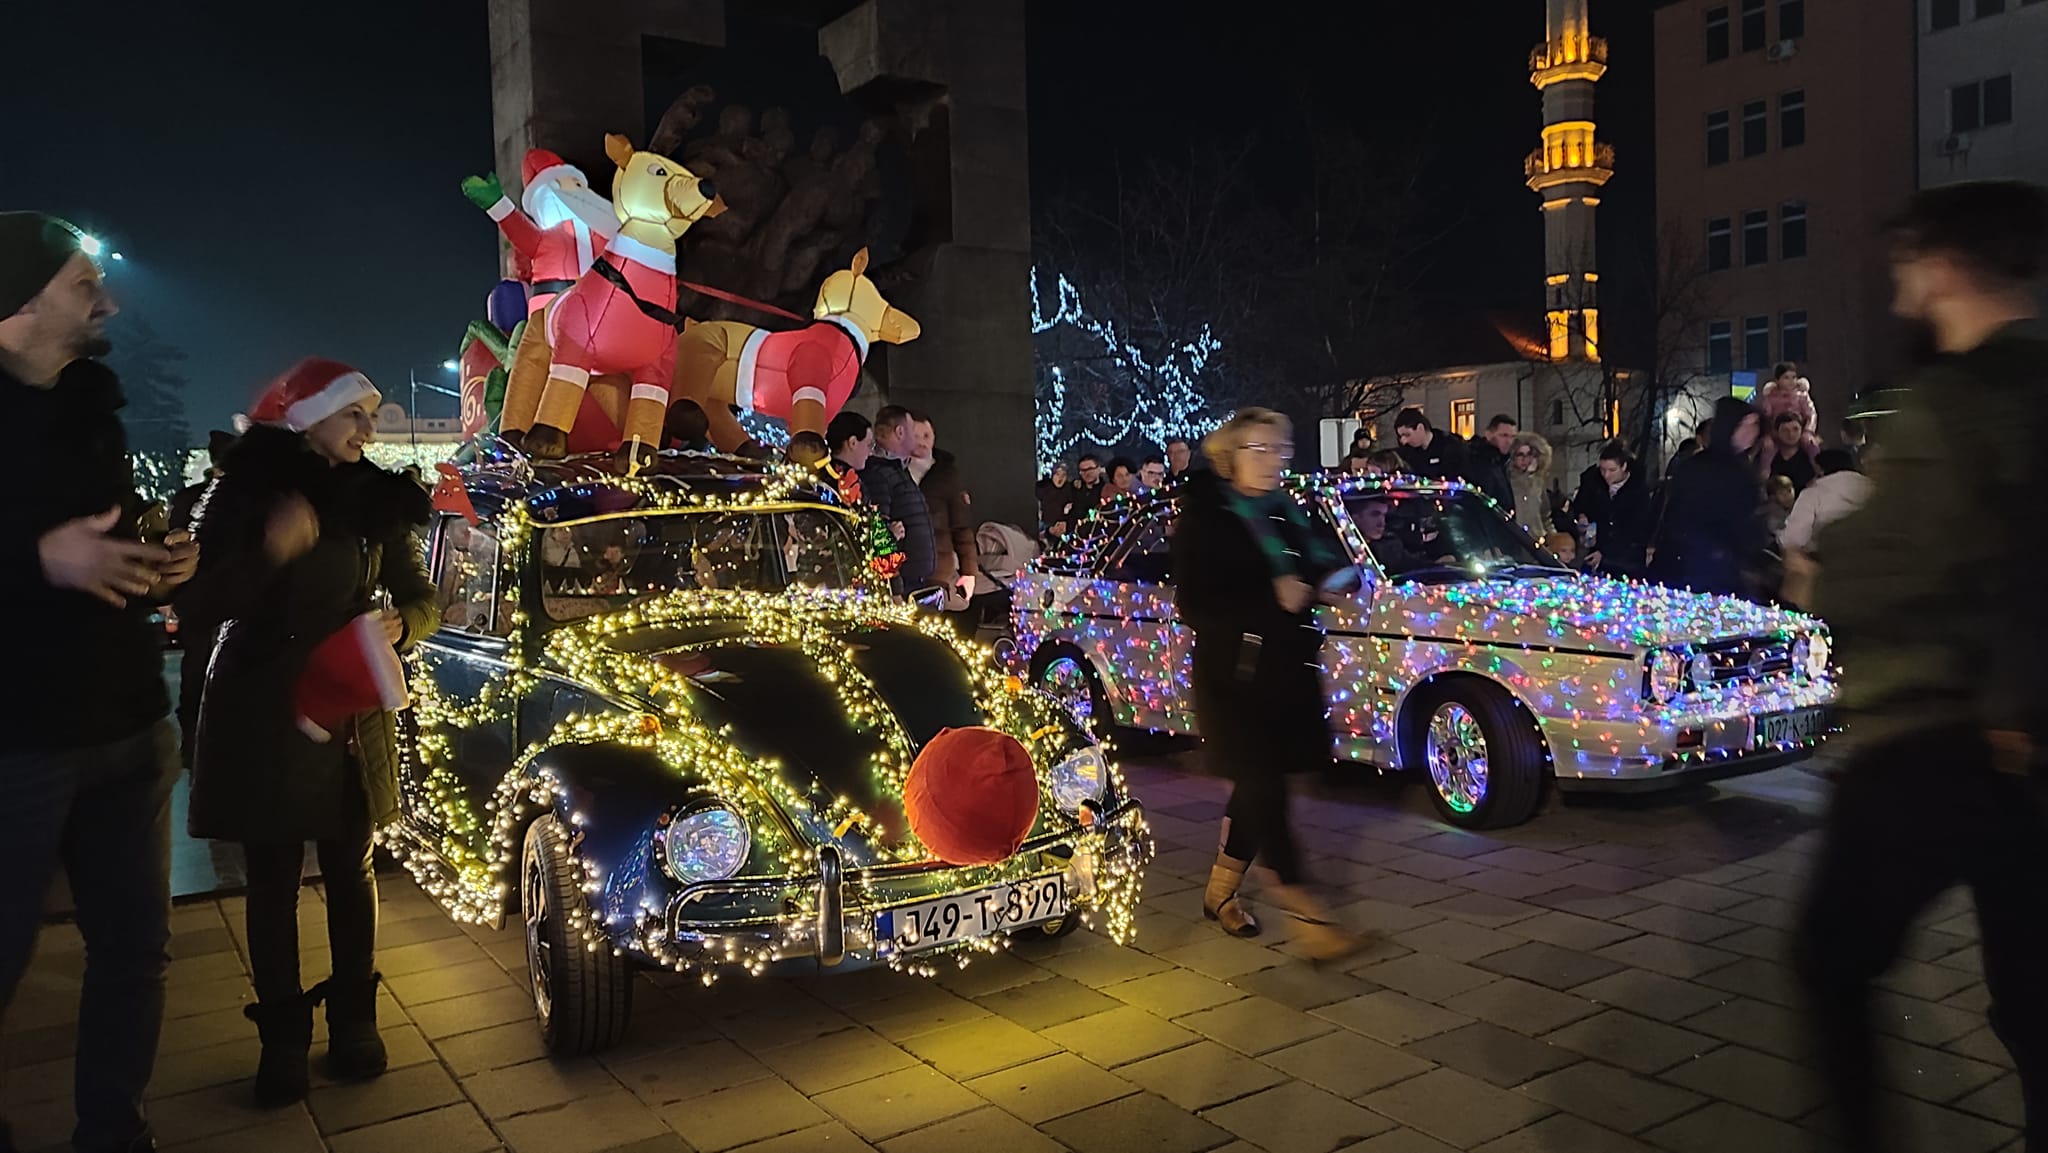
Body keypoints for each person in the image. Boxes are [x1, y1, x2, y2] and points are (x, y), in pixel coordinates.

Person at [1799, 181, 2048, 1153]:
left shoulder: (1948, 404)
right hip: (2026, 740)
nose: (1899, 279)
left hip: (1933, 734)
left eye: (1907, 258)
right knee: (2031, 997)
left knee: (1829, 956)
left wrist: (1822, 565)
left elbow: (1883, 571)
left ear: (1943, 265)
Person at [179, 358, 438, 1108]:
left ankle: (356, 1020)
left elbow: (422, 596)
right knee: (273, 878)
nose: (369, 430)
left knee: (352, 866)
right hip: (264, 703)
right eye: (354, 413)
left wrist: (402, 624)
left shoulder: (377, 497)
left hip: (349, 702)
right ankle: (283, 1041)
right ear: (307, 417)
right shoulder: (242, 492)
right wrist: (273, 548)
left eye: (372, 415)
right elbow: (197, 605)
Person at [1, 212, 198, 1153]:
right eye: (84, 284)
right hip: (17, 738)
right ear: (16, 305)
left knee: (134, 951)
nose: (107, 301)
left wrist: (157, 565)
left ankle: (114, 1131)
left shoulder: (91, 405)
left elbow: (105, 544)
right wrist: (40, 557)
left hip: (129, 720)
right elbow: (56, 553)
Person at [1171, 408, 1362, 963]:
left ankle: (1220, 893)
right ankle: (1309, 918)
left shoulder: (1286, 512)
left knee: (1258, 789)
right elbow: (1194, 604)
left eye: (1280, 449)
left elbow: (1319, 567)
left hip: (1286, 674)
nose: (1272, 459)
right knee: (1264, 789)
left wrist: (1327, 586)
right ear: (1230, 456)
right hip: (1233, 680)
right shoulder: (1207, 519)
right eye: (1259, 449)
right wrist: (1269, 596)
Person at [1652, 396, 1765, 597]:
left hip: (1717, 568)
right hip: (1702, 569)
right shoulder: (1706, 469)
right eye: (1746, 425)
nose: (1752, 432)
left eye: (1755, 425)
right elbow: (1676, 515)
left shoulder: (1742, 469)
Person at [911, 414, 980, 632]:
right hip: (904, 566)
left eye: (926, 435)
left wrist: (969, 572)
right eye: (916, 435)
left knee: (930, 629)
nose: (921, 441)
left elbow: (961, 526)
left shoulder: (946, 474)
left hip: (937, 568)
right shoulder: (896, 470)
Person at [1778, 448, 1871, 607]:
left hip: (1824, 573)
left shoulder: (1814, 493)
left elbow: (1794, 539)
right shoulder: (1874, 490)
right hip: (1869, 569)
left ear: (1821, 470)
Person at [859, 406, 933, 590]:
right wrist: (895, 588)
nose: (916, 439)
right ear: (900, 432)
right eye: (912, 431)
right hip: (902, 583)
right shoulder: (879, 473)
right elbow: (879, 532)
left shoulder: (898, 470)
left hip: (913, 579)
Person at [1582, 442, 1652, 578]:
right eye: (1603, 470)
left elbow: (1636, 530)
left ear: (1624, 466)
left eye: (1612, 470)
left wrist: (1605, 554)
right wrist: (1583, 517)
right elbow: (1584, 506)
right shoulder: (1594, 484)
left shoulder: (1638, 492)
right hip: (1596, 554)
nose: (1606, 475)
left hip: (1627, 561)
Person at [1505, 431, 1563, 541]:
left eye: (1529, 455)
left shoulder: (1538, 483)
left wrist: (1554, 538)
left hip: (1537, 538)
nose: (1525, 459)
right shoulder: (1507, 481)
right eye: (1520, 455)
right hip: (1514, 538)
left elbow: (1545, 515)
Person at [1392, 407, 1469, 481]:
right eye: (1401, 436)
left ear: (1420, 428)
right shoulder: (1408, 453)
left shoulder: (1450, 447)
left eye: (1407, 435)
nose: (1404, 441)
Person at [820, 411, 872, 507]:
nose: (870, 452)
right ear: (853, 442)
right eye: (868, 444)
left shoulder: (819, 474)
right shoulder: (851, 481)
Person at [1468, 413, 1518, 507]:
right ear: (1489, 434)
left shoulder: (1504, 463)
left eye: (1512, 437)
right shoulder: (1479, 462)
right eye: (1504, 435)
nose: (1509, 441)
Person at [1767, 412, 1818, 492]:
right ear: (1777, 432)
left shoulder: (1809, 456)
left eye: (1795, 429)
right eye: (1785, 430)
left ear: (1801, 431)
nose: (1791, 434)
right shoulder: (1772, 458)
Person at [1037, 462, 1075, 540]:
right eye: (1057, 474)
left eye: (1063, 475)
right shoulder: (1042, 487)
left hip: (1063, 529)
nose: (1060, 478)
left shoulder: (1070, 489)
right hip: (1045, 526)